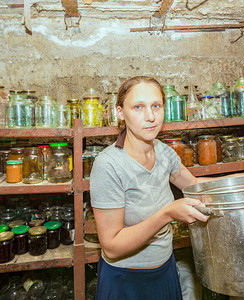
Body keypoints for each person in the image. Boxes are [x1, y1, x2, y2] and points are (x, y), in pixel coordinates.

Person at [90, 76, 214, 300]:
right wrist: (167, 214)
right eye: (138, 107)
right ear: (120, 113)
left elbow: (195, 186)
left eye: (156, 106)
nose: (150, 117)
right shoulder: (108, 165)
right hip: (126, 280)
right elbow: (112, 246)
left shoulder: (164, 151)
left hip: (165, 271)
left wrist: (242, 180)